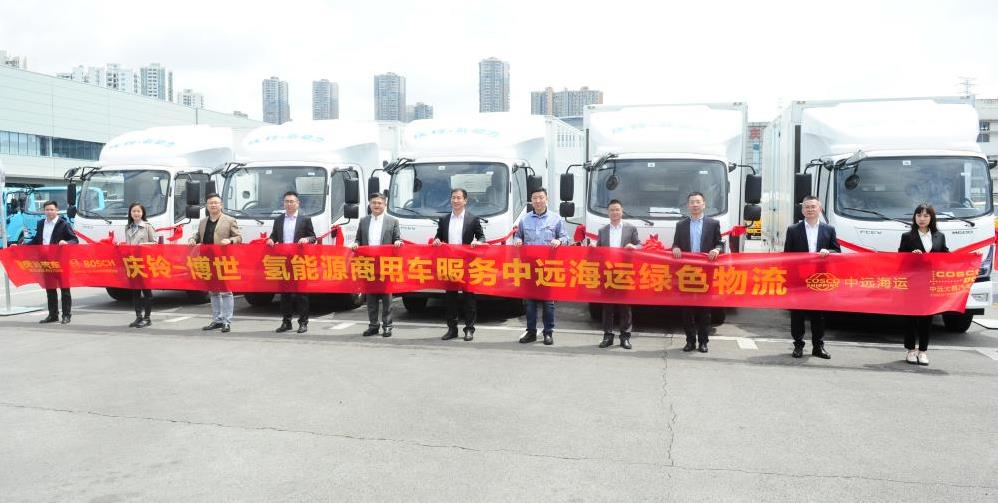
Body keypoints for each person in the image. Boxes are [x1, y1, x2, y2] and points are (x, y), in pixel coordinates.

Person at [783, 195, 840, 359]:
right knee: (797, 314)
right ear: (802, 210)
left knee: (818, 315)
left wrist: (829, 251)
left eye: (813, 207)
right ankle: (798, 345)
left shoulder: (829, 230)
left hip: (820, 279)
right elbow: (787, 255)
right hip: (799, 279)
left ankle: (818, 346)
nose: (810, 209)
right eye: (806, 207)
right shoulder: (793, 230)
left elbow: (838, 252)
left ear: (819, 209)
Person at [513, 188, 568, 345]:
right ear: (531, 200)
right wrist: (517, 240)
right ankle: (531, 332)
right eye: (534, 198)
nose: (537, 201)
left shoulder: (556, 219)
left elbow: (565, 237)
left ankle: (548, 332)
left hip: (548, 266)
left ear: (546, 199)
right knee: (529, 302)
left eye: (540, 197)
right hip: (529, 266)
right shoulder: (524, 220)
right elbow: (518, 236)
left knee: (548, 303)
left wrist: (559, 241)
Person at [671, 192, 723, 353]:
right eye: (692, 202)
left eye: (698, 202)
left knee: (705, 310)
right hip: (687, 272)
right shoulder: (681, 225)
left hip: (705, 272)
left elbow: (719, 243)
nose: (695, 205)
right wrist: (676, 248)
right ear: (688, 206)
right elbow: (675, 244)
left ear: (704, 204)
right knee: (687, 310)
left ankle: (703, 342)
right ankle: (690, 341)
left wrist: (717, 249)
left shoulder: (713, 224)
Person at [898, 203, 948, 366]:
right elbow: (899, 260)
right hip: (912, 284)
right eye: (919, 215)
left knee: (927, 318)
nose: (922, 219)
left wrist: (971, 256)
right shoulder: (907, 236)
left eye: (926, 215)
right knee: (910, 318)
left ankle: (923, 351)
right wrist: (911, 256)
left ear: (931, 218)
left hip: (930, 284)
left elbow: (947, 257)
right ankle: (910, 350)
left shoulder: (939, 236)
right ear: (914, 217)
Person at [433, 188, 485, 341]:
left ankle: (469, 329)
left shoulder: (472, 219)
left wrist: (479, 242)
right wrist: (437, 240)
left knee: (469, 298)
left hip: (467, 264)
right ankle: (452, 329)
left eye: (459, 198)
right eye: (453, 198)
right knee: (450, 299)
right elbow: (438, 237)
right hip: (449, 263)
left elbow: (481, 237)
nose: (456, 200)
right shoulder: (444, 219)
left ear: (465, 200)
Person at [352, 193, 403, 337]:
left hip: (385, 264)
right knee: (371, 297)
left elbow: (397, 239)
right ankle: (373, 325)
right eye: (374, 202)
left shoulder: (392, 221)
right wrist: (355, 244)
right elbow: (358, 239)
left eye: (379, 203)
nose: (376, 205)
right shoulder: (364, 221)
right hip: (368, 263)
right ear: (369, 204)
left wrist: (397, 242)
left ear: (384, 205)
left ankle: (387, 326)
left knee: (387, 297)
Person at [189, 193, 242, 333]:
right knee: (213, 291)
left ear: (221, 205)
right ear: (207, 206)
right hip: (207, 260)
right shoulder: (203, 222)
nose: (213, 205)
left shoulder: (229, 220)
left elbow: (238, 237)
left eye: (215, 203)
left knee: (226, 291)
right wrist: (193, 239)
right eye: (210, 203)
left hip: (223, 260)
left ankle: (227, 321)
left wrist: (230, 240)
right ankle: (217, 319)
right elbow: (198, 236)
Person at [266, 191, 317, 334]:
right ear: (283, 203)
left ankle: (303, 322)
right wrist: (271, 240)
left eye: (292, 201)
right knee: (285, 294)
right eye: (286, 201)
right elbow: (274, 236)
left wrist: (307, 239)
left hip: (299, 261)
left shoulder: (305, 219)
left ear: (298, 203)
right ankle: (286, 322)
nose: (289, 204)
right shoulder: (279, 220)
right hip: (283, 261)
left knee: (302, 294)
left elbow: (313, 237)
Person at [595, 199, 641, 349]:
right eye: (612, 210)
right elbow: (598, 250)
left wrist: (634, 246)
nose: (614, 212)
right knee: (607, 307)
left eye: (617, 210)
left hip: (624, 272)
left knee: (625, 307)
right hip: (608, 273)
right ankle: (607, 336)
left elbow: (640, 245)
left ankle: (625, 337)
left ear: (622, 212)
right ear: (608, 213)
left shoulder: (630, 228)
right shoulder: (602, 231)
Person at [28, 200, 78, 324]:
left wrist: (66, 242)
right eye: (47, 210)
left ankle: (66, 315)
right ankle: (53, 315)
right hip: (46, 261)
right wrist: (19, 246)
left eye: (52, 209)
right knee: (50, 289)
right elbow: (36, 240)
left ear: (57, 210)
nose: (49, 212)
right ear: (44, 211)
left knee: (65, 289)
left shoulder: (64, 224)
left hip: (61, 261)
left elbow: (74, 240)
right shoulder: (41, 224)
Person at [124, 202, 157, 328]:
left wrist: (143, 246)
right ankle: (138, 317)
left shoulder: (148, 227)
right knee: (135, 292)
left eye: (138, 211)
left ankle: (147, 318)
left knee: (147, 291)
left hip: (144, 263)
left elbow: (155, 243)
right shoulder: (128, 227)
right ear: (130, 213)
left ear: (142, 213)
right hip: (132, 263)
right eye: (134, 211)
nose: (136, 213)